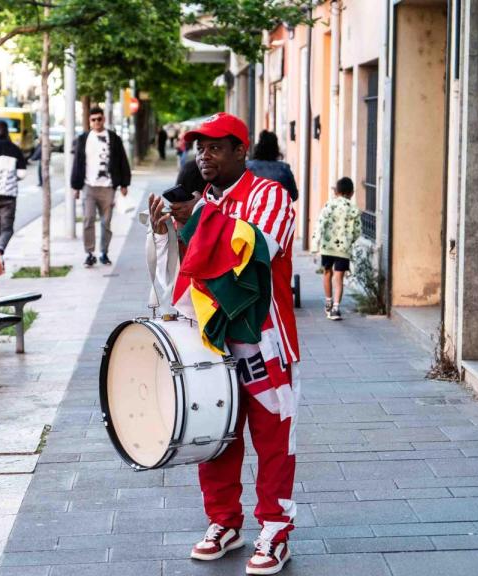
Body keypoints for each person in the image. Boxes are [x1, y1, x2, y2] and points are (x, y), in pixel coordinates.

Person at [148, 113, 299, 575]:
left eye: (215, 147)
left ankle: (274, 528)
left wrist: (197, 218)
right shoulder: (196, 203)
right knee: (214, 435)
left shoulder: (270, 195)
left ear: (240, 151)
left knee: (273, 439)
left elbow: (259, 249)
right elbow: (180, 277)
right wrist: (164, 234)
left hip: (264, 345)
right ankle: (223, 522)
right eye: (199, 147)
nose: (204, 155)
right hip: (209, 345)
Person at [70, 106, 131, 267]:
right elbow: (77, 164)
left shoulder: (114, 138)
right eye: (93, 119)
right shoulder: (83, 139)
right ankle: (90, 253)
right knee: (88, 219)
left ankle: (104, 252)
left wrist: (124, 183)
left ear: (104, 119)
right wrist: (75, 187)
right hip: (88, 186)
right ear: (89, 122)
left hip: (108, 187)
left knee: (106, 222)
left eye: (99, 119)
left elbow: (122, 161)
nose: (96, 122)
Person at [312, 177, 361, 320]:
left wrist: (315, 245)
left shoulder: (329, 205)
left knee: (327, 273)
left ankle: (328, 302)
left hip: (327, 247)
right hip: (343, 249)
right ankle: (336, 308)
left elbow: (320, 224)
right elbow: (358, 230)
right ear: (351, 192)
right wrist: (350, 240)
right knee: (339, 277)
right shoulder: (353, 208)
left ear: (336, 191)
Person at [0, 120, 28, 276]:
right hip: (9, 195)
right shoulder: (15, 149)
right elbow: (22, 174)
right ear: (7, 131)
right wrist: (11, 178)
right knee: (7, 228)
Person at [246, 130, 299, 202]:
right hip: (277, 210)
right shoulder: (283, 169)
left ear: (258, 146)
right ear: (276, 148)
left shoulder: (247, 166)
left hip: (252, 210)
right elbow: (294, 195)